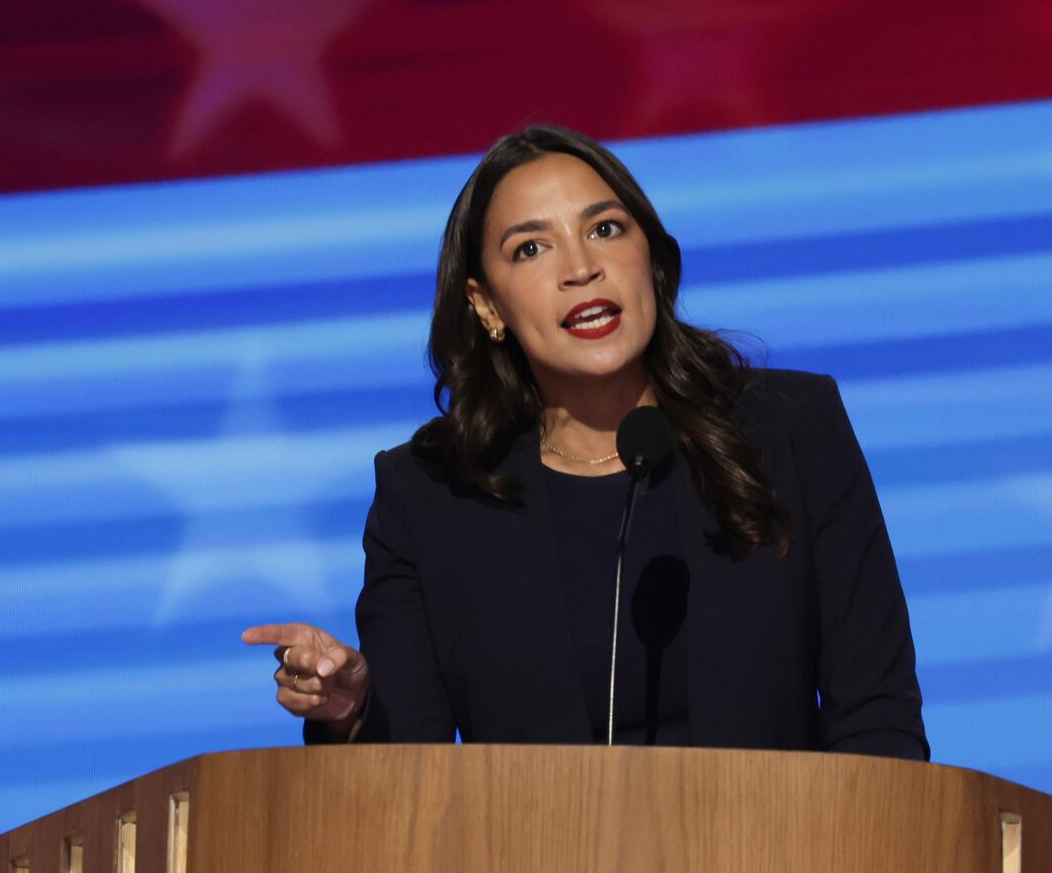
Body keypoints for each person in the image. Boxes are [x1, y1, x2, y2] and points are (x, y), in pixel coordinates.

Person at [243, 125, 929, 760]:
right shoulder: (428, 494)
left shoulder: (792, 429)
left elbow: (877, 719)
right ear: (486, 306)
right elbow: (412, 785)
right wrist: (353, 710)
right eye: (532, 248)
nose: (581, 267)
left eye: (605, 229)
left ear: (651, 259)